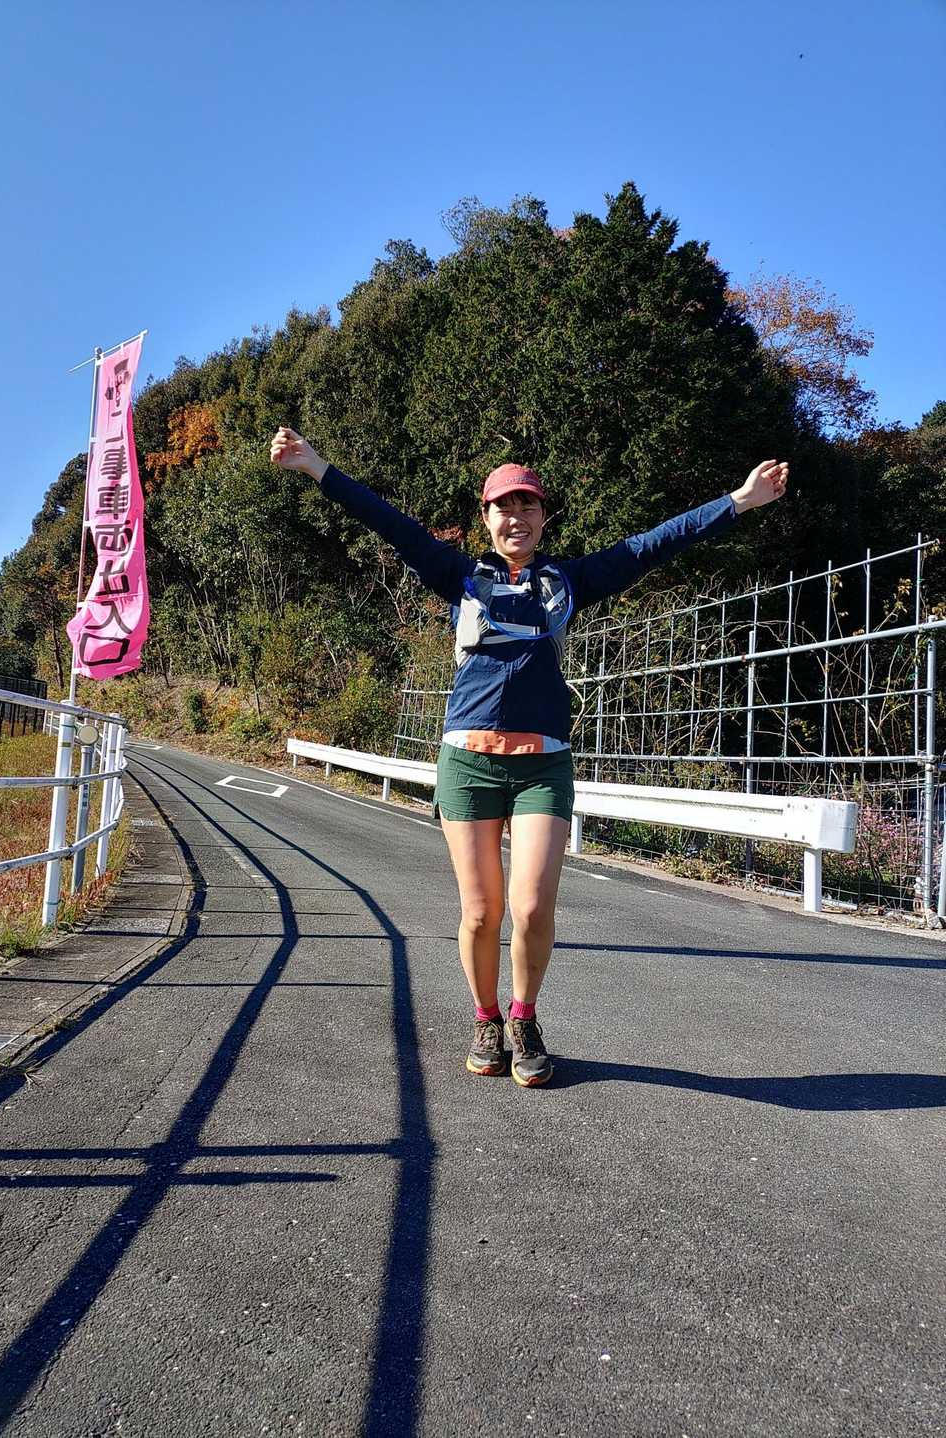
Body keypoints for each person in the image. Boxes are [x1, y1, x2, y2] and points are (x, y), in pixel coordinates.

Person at [270, 427, 787, 1086]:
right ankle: (485, 1018)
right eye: (503, 507)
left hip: (543, 765)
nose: (516, 517)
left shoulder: (569, 581)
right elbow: (389, 522)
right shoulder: (460, 576)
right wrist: (317, 467)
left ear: (544, 517)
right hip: (470, 763)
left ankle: (524, 1017)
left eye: (528, 505)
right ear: (485, 518)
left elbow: (654, 543)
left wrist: (738, 501)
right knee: (481, 911)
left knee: (534, 906)